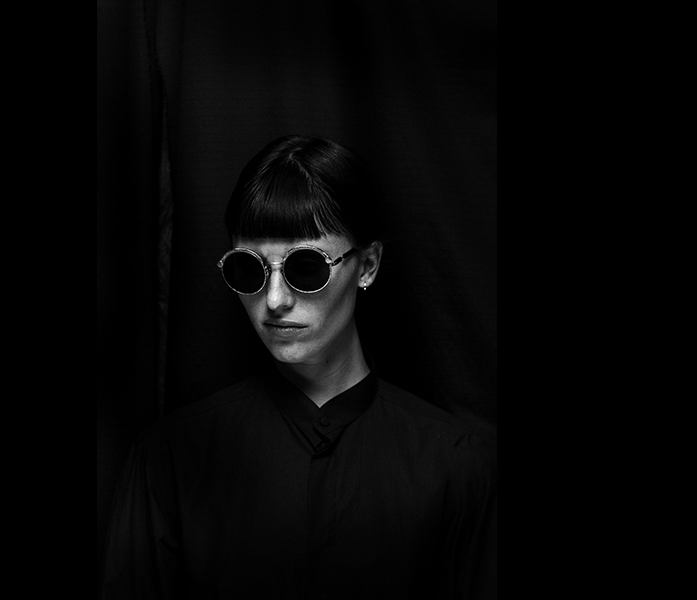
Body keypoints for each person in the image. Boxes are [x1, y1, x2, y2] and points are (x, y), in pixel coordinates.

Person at [100, 135, 497, 599]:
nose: (274, 300)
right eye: (249, 269)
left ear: (367, 265)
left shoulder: (460, 470)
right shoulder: (168, 461)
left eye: (306, 268)